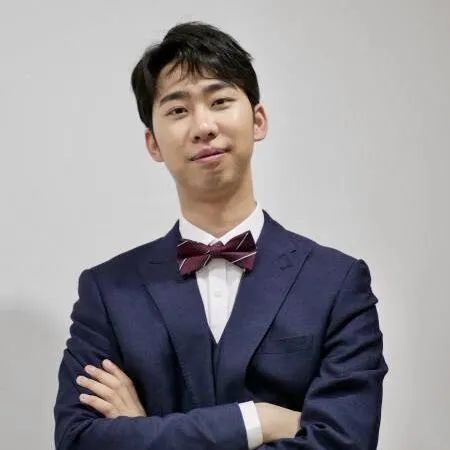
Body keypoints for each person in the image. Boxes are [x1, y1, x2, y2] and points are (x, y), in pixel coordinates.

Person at [54, 21, 388, 450]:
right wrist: (258, 420)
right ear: (153, 144)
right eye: (178, 110)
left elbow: (344, 442)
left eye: (220, 101)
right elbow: (78, 440)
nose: (203, 126)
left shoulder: (337, 283)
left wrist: (141, 432)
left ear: (258, 120)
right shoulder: (107, 292)